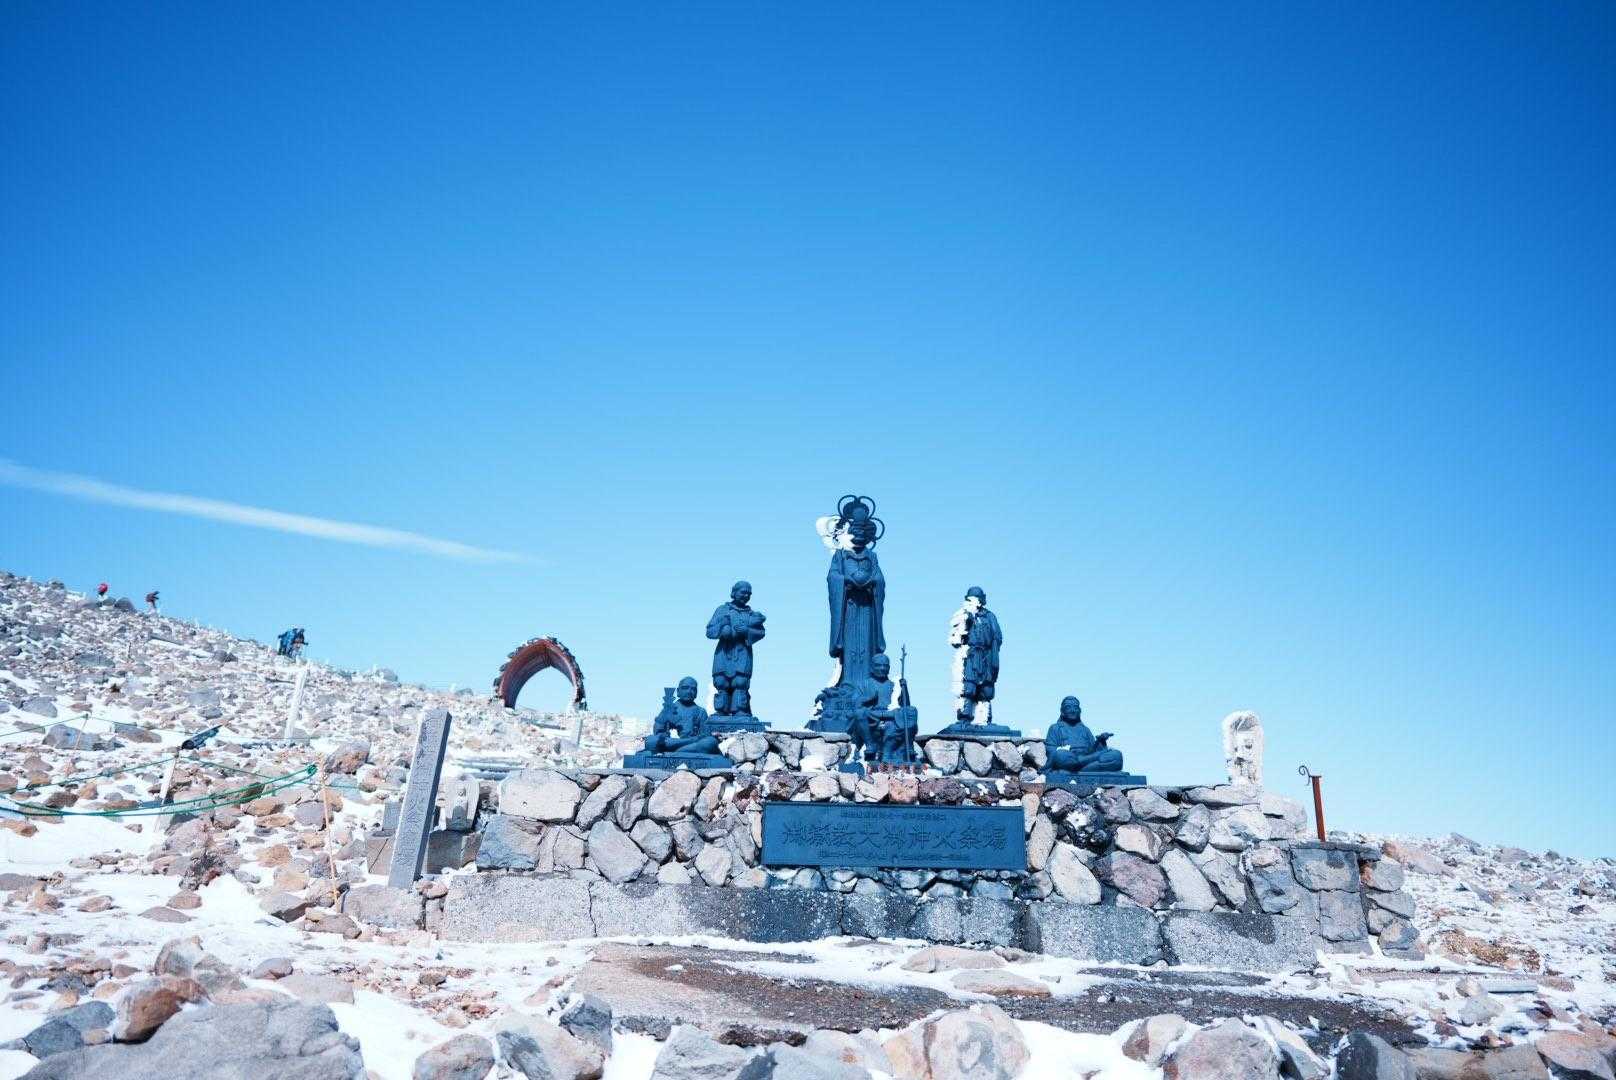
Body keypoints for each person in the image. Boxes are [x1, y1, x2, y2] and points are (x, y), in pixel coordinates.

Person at [706, 581, 765, 716]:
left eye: (749, 594)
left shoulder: (752, 614)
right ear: (734, 592)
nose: (746, 596)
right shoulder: (722, 610)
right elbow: (709, 631)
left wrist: (746, 631)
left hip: (743, 651)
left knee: (740, 682)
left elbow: (761, 632)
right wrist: (722, 628)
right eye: (743, 592)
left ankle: (740, 710)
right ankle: (721, 711)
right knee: (721, 682)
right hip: (724, 651)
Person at [949, 586, 1002, 724]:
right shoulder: (963, 614)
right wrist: (964, 625)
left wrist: (993, 656)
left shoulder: (990, 616)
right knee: (968, 687)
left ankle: (984, 719)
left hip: (986, 656)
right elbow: (955, 640)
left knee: (986, 690)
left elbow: (997, 637)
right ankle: (964, 718)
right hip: (970, 656)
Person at [1045, 696, 1125, 773]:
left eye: (1075, 707)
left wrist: (1100, 741)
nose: (1073, 710)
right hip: (1069, 760)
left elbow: (1093, 750)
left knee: (1117, 755)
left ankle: (1079, 769)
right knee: (1060, 755)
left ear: (1080, 711)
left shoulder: (1085, 730)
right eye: (1068, 707)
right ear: (1062, 711)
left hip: (1086, 763)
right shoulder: (1055, 728)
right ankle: (1081, 767)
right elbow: (1051, 751)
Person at [644, 677, 721, 756]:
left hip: (692, 746)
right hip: (681, 744)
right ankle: (681, 751)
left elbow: (705, 736)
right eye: (685, 688)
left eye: (693, 689)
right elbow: (658, 732)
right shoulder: (669, 709)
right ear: (678, 691)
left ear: (696, 693)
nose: (689, 691)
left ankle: (675, 753)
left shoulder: (701, 712)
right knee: (651, 740)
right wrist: (664, 736)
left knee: (710, 742)